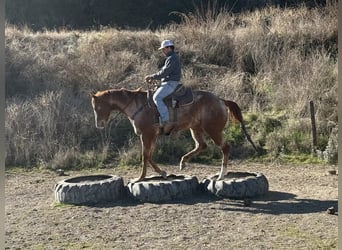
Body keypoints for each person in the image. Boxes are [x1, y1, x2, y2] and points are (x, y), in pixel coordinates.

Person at [145, 39, 181, 132]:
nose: (162, 51)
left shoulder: (172, 58)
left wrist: (152, 76)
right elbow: (164, 72)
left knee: (157, 97)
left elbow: (165, 72)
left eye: (163, 49)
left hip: (170, 83)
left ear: (169, 48)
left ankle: (166, 120)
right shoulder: (172, 57)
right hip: (168, 82)